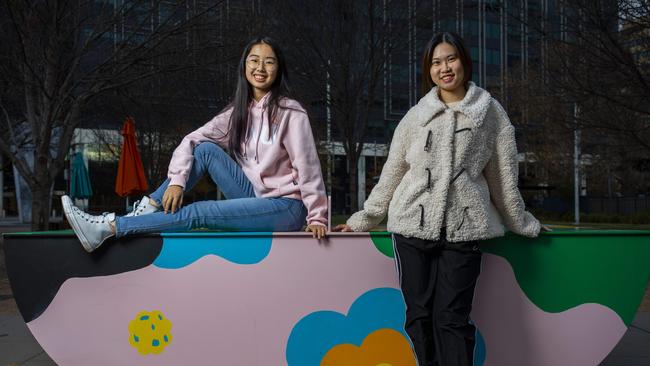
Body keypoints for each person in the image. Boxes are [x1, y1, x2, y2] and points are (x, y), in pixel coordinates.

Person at [333, 32, 550, 366]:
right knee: (418, 317)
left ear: (464, 61)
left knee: (452, 318)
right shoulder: (416, 115)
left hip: (465, 228)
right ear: (428, 69)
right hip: (410, 227)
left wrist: (522, 223)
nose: (444, 68)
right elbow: (393, 171)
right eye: (436, 62)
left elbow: (503, 177)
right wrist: (365, 217)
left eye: (450, 59)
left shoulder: (490, 112)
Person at [63, 36, 328, 253]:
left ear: (278, 69)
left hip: (287, 208)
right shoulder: (238, 112)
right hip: (256, 199)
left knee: (200, 212)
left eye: (269, 62)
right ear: (244, 66)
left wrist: (317, 217)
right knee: (204, 150)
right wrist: (177, 181)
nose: (260, 68)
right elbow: (191, 139)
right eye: (254, 60)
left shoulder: (291, 112)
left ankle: (109, 227)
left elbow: (308, 168)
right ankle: (149, 207)